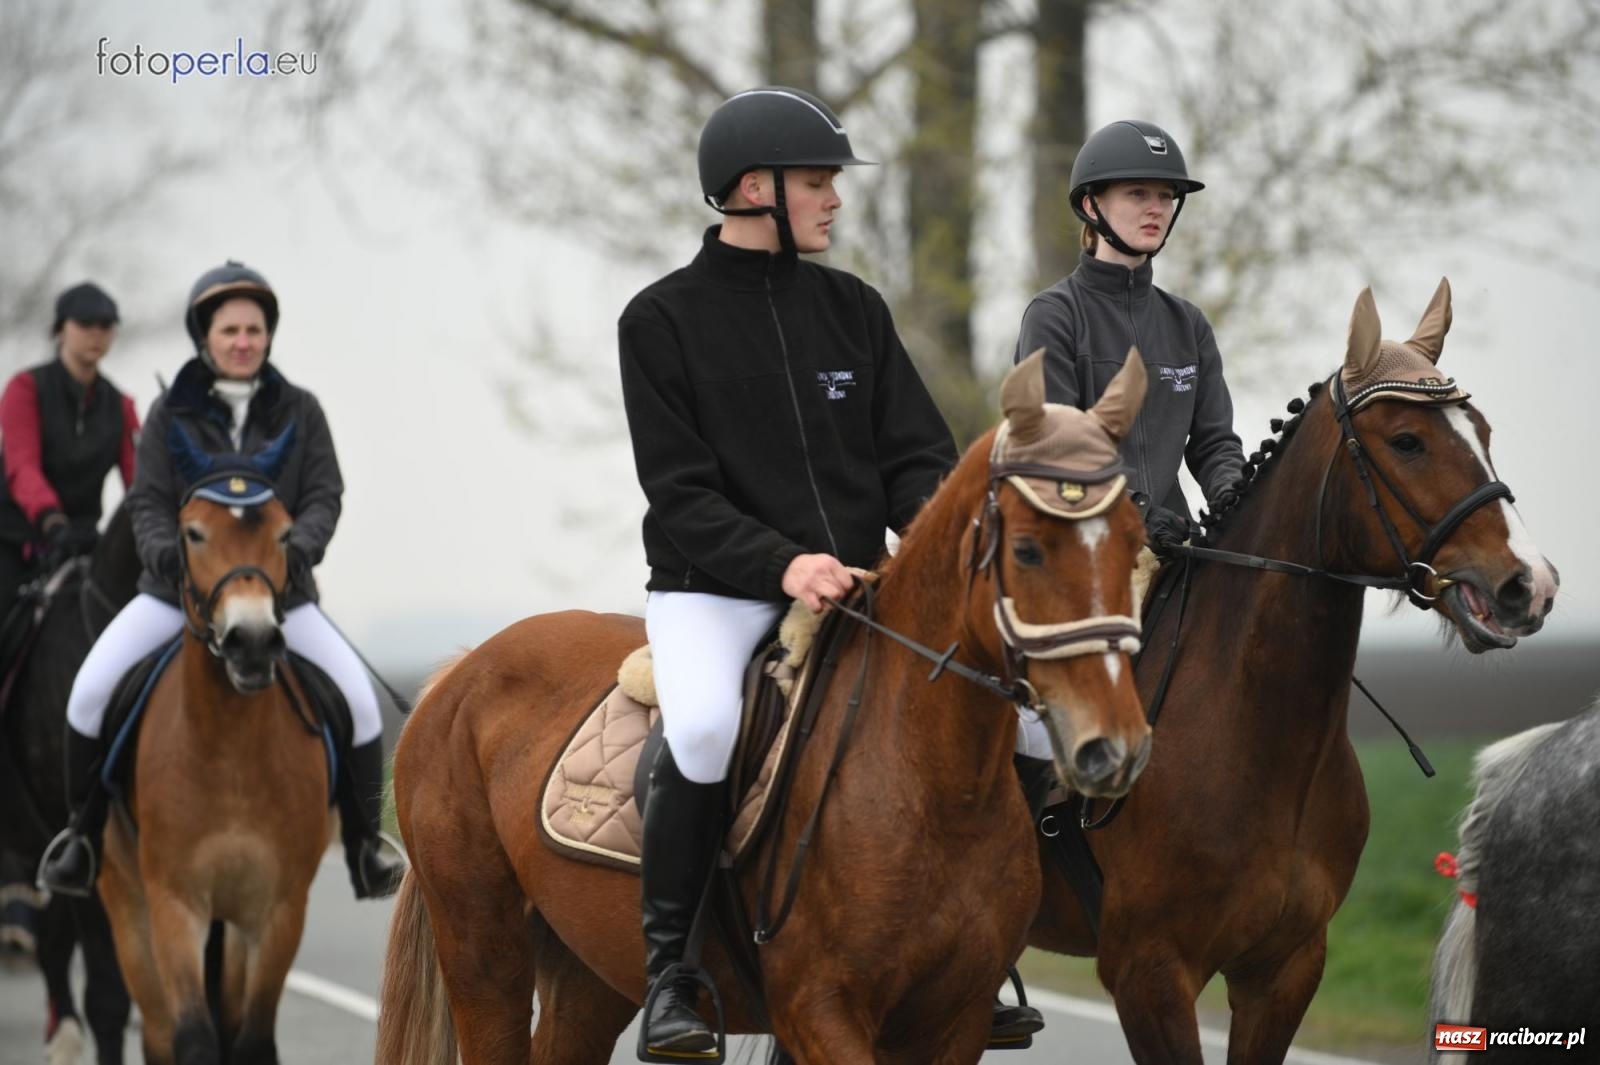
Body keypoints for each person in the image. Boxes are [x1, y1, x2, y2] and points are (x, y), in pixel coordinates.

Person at [619, 86, 985, 1057]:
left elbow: (916, 457)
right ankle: (673, 977)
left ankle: (980, 953)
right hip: (714, 593)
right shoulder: (658, 320)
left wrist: (941, 549)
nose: (833, 200)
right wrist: (786, 565)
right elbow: (680, 493)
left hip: (860, 588)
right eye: (817, 182)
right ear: (753, 190)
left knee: (1002, 706)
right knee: (700, 728)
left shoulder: (853, 310)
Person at [36, 261, 403, 902]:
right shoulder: (168, 414)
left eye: (254, 329)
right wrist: (166, 557)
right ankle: (83, 837)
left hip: (278, 597)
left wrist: (299, 552)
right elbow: (147, 500)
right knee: (88, 694)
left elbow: (324, 495)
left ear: (267, 336)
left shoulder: (302, 410)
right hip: (174, 594)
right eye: (230, 329)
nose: (243, 341)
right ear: (205, 337)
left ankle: (364, 847)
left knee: (363, 704)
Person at [0, 282, 138, 640]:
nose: (96, 334)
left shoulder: (122, 407)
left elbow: (140, 483)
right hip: (15, 537)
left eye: (106, 326)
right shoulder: (25, 388)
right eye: (85, 324)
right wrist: (53, 521)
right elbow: (21, 467)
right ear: (61, 329)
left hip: (82, 543)